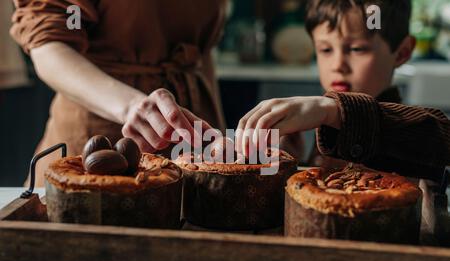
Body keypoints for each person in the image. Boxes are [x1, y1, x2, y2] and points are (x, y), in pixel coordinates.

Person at [10, 0, 228, 187]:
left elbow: (199, 52)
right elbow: (49, 45)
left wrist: (217, 135)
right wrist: (131, 105)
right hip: (100, 140)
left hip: (194, 142)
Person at [236, 0, 449, 182]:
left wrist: (335, 109)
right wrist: (292, 162)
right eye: (325, 49)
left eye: (357, 49)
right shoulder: (323, 129)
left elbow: (440, 135)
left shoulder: (410, 131)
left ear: (402, 52)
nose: (338, 64)